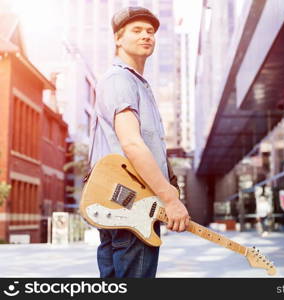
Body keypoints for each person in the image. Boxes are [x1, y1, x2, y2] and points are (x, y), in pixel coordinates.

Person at [88, 6, 190, 278]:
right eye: (137, 30)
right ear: (118, 39)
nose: (147, 36)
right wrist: (170, 198)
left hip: (125, 205)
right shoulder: (121, 80)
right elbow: (132, 143)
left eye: (151, 31)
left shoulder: (135, 83)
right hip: (133, 206)